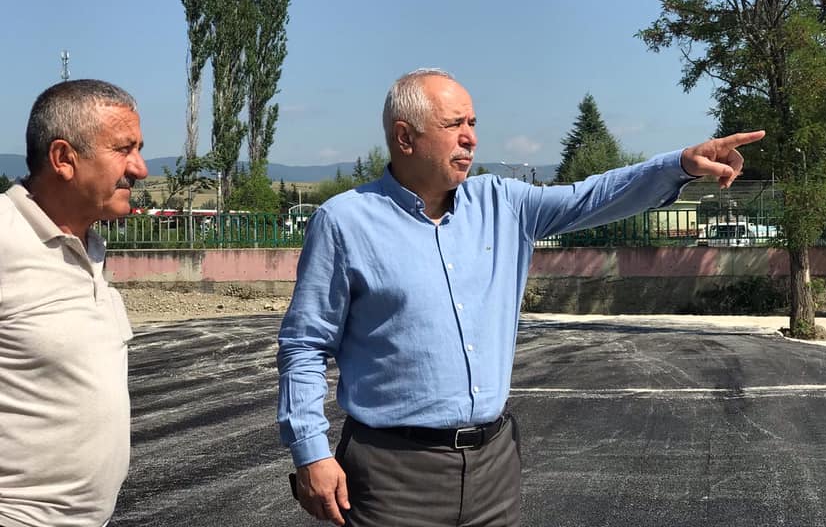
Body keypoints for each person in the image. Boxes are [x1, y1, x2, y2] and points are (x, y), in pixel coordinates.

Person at [277, 68, 763, 527]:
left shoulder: (503, 204)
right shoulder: (345, 223)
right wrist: (311, 451)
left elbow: (591, 196)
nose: (470, 138)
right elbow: (304, 345)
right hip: (391, 476)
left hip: (493, 471)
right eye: (453, 125)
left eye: (472, 123)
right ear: (405, 138)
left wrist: (680, 165)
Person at [0, 79, 148, 527]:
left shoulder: (90, 247)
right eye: (123, 149)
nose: (140, 169)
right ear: (64, 158)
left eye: (139, 149)